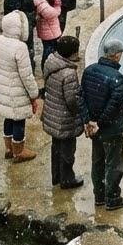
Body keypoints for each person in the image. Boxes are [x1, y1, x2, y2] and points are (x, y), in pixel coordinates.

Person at [81, 37, 123, 211]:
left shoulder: (89, 71)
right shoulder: (117, 77)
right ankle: (112, 198)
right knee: (114, 163)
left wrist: (88, 121)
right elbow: (113, 105)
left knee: (98, 161)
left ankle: (99, 196)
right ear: (116, 56)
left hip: (94, 128)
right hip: (110, 128)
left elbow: (82, 98)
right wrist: (99, 122)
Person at [0, 10, 40, 163]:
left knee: (8, 117)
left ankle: (8, 148)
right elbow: (26, 75)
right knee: (19, 119)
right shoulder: (20, 47)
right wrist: (34, 94)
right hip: (17, 90)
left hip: (3, 86)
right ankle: (19, 151)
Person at [42, 35, 84, 189]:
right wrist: (79, 114)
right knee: (67, 151)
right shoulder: (68, 74)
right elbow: (72, 100)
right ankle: (67, 179)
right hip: (64, 118)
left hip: (52, 113)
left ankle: (56, 176)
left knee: (56, 147)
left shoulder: (51, 62)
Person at [33, 0, 63, 70]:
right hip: (50, 33)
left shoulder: (39, 3)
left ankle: (48, 67)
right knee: (48, 52)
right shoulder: (43, 6)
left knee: (49, 50)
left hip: (48, 31)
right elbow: (55, 13)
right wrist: (57, 5)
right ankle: (46, 68)